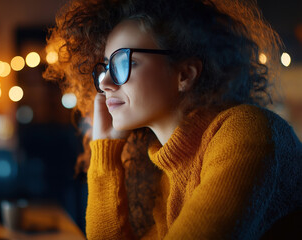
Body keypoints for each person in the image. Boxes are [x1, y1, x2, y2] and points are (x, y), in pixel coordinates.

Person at [43, 0, 302, 239]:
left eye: (122, 63)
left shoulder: (246, 132)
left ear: (185, 75)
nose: (106, 83)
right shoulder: (169, 174)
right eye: (106, 67)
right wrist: (105, 151)